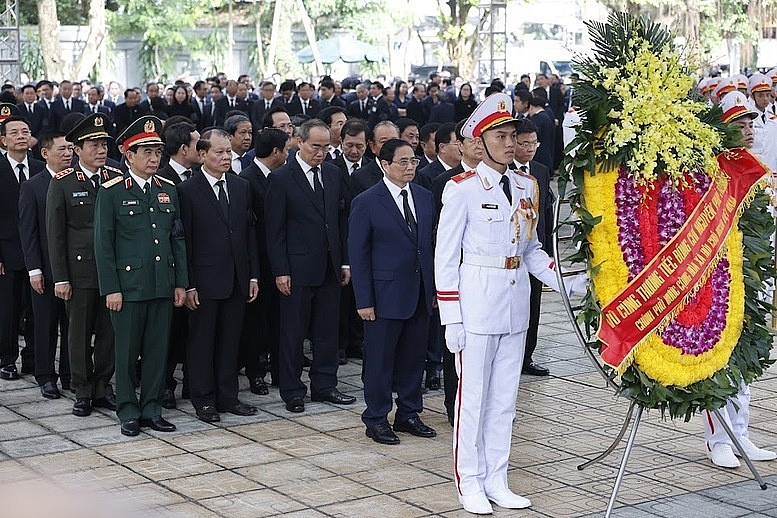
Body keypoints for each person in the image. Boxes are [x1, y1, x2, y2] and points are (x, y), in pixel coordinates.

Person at [435, 93, 585, 514]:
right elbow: (444, 257)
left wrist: (563, 280)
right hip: (476, 306)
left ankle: (498, 478)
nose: (508, 142)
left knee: (505, 399)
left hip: (515, 303)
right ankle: (471, 482)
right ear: (480, 142)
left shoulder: (526, 185)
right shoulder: (461, 189)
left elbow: (532, 248)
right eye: (499, 135)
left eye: (511, 135)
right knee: (473, 400)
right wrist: (452, 317)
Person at [94, 115, 188, 436]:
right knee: (126, 352)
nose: (153, 158)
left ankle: (152, 408)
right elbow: (103, 244)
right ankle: (127, 410)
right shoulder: (112, 191)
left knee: (156, 352)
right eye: (146, 152)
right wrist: (111, 288)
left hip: (161, 283)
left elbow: (177, 239)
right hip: (129, 287)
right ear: (128, 155)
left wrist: (181, 282)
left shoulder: (168, 190)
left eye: (157, 152)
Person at [703, 90, 777, 468]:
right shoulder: (712, 170)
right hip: (720, 275)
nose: (748, 130)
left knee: (745, 355)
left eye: (750, 123)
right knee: (718, 356)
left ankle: (741, 433)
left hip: (754, 272)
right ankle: (718, 438)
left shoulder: (756, 166)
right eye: (739, 124)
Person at [349, 138, 436, 445]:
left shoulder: (424, 197)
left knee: (414, 358)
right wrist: (364, 300)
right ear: (385, 165)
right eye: (403, 162)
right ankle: (375, 417)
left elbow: (429, 247)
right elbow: (358, 255)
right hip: (383, 296)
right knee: (380, 361)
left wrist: (435, 290)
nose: (410, 167)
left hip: (420, 292)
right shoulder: (367, 201)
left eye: (413, 161)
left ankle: (409, 413)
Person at [265, 119, 354, 413]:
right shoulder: (281, 178)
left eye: (326, 147)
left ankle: (325, 385)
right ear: (299, 143)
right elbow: (274, 230)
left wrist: (344, 261)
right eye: (315, 147)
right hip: (296, 268)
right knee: (293, 332)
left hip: (329, 265)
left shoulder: (332, 172)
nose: (321, 153)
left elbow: (340, 219)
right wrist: (281, 270)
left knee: (327, 330)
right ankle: (292, 390)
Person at [178, 128, 260, 423]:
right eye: (219, 152)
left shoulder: (240, 187)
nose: (226, 157)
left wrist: (252, 276)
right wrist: (188, 284)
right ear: (202, 155)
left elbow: (248, 233)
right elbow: (183, 241)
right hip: (204, 281)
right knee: (202, 342)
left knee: (230, 342)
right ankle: (203, 399)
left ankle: (228, 396)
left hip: (237, 278)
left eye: (228, 152)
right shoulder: (187, 190)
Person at [47, 112, 122, 417]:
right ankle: (82, 389)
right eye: (94, 144)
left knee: (109, 332)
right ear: (77, 149)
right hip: (79, 273)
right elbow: (56, 235)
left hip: (113, 272)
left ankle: (104, 386)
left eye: (104, 143)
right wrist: (60, 278)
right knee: (78, 334)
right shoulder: (63, 183)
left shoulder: (116, 178)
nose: (101, 149)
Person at [18, 130, 73, 397]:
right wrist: (34, 270)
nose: (67, 154)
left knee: (73, 326)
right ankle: (45, 375)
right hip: (45, 269)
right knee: (45, 324)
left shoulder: (77, 181)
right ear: (45, 153)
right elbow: (27, 232)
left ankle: (69, 374)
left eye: (70, 149)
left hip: (74, 269)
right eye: (61, 150)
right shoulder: (33, 186)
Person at [239, 128, 290, 392]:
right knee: (255, 323)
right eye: (286, 149)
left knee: (279, 321)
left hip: (281, 262)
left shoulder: (283, 177)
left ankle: (281, 372)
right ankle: (255, 372)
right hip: (258, 261)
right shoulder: (246, 180)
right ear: (275, 152)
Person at [155, 122, 201, 408]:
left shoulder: (199, 175)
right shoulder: (163, 179)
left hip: (198, 264)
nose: (203, 148)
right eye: (198, 144)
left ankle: (192, 383)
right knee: (169, 335)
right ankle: (165, 385)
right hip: (172, 267)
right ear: (184, 149)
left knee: (191, 332)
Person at [0, 110, 44, 381]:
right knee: (8, 308)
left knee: (35, 308)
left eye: (25, 132)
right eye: (14, 133)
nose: (20, 136)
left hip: (38, 251)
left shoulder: (40, 168)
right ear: (3, 140)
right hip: (8, 250)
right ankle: (6, 358)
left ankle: (33, 357)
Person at [513, 119, 553, 377]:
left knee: (534, 305)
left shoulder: (540, 169)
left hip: (536, 250)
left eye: (533, 143)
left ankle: (527, 355)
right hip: (513, 252)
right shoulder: (506, 171)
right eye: (524, 143)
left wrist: (548, 251)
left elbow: (546, 214)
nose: (529, 148)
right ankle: (513, 356)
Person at [350, 121, 400, 197]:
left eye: (394, 141)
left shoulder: (411, 171)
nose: (390, 146)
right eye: (384, 142)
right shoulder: (360, 177)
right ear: (373, 146)